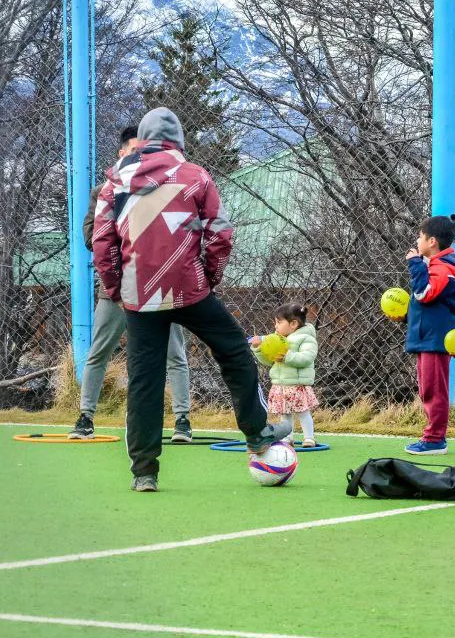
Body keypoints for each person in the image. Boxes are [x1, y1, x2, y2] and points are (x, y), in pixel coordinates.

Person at [92, 108, 291, 491]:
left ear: (143, 141)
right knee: (233, 348)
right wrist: (208, 278)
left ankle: (144, 472)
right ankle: (257, 431)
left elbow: (103, 242)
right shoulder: (195, 175)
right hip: (189, 288)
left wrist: (117, 288)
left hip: (138, 295)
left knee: (145, 379)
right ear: (179, 141)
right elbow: (220, 233)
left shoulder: (114, 181)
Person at [72, 125, 193, 443]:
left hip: (159, 287)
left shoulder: (161, 187)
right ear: (122, 153)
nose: (141, 157)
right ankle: (85, 417)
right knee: (99, 350)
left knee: (174, 353)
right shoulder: (103, 192)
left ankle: (182, 421)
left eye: (145, 150)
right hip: (117, 290)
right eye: (134, 151)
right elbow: (91, 238)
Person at [403, 215, 455, 456]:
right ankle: (432, 436)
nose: (417, 242)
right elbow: (428, 306)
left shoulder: (441, 269)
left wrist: (415, 265)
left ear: (432, 241)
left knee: (434, 389)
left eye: (420, 237)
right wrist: (406, 317)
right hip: (426, 336)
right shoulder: (436, 267)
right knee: (427, 388)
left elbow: (424, 294)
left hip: (434, 339)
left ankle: (435, 439)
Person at [251, 303, 320, 448]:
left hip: (297, 384)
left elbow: (307, 358)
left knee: (302, 411)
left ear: (293, 323)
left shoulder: (305, 338)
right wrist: (258, 349)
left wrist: (287, 356)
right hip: (280, 384)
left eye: (279, 322)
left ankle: (309, 438)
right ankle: (287, 438)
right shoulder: (277, 339)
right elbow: (269, 360)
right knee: (284, 413)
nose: (275, 326)